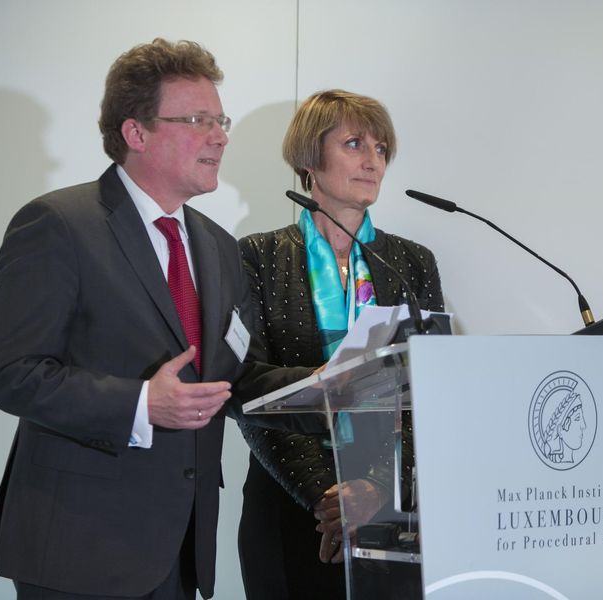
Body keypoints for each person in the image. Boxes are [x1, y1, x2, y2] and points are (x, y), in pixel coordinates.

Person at [0, 39, 311, 600]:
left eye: (221, 121)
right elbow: (12, 374)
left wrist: (328, 387)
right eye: (199, 120)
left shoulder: (219, 247)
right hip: (78, 545)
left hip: (180, 548)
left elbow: (234, 378)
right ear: (136, 133)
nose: (220, 136)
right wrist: (140, 404)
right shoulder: (58, 224)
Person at [232, 89, 444, 599]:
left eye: (381, 149)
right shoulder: (253, 256)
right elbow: (244, 387)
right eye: (355, 144)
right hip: (292, 505)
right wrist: (327, 499)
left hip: (393, 506)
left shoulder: (413, 263)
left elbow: (435, 389)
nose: (373, 161)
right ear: (309, 159)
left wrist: (375, 487)